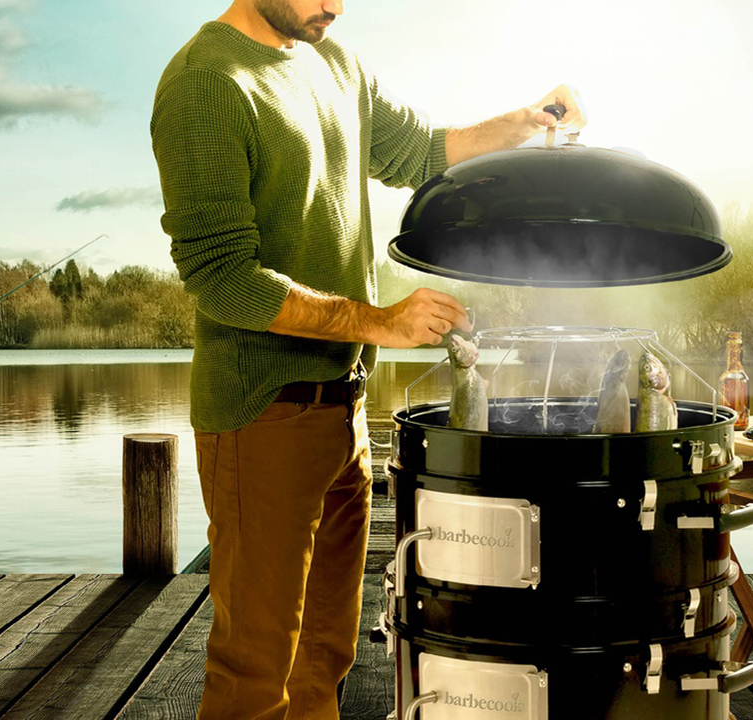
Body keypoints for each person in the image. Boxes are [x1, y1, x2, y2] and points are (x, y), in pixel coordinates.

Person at [150, 1, 584, 718]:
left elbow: (419, 152)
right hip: (261, 415)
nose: (335, 6)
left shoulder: (337, 62)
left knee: (325, 657)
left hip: (342, 412)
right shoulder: (206, 82)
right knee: (255, 673)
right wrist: (378, 322)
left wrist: (527, 121)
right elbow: (222, 277)